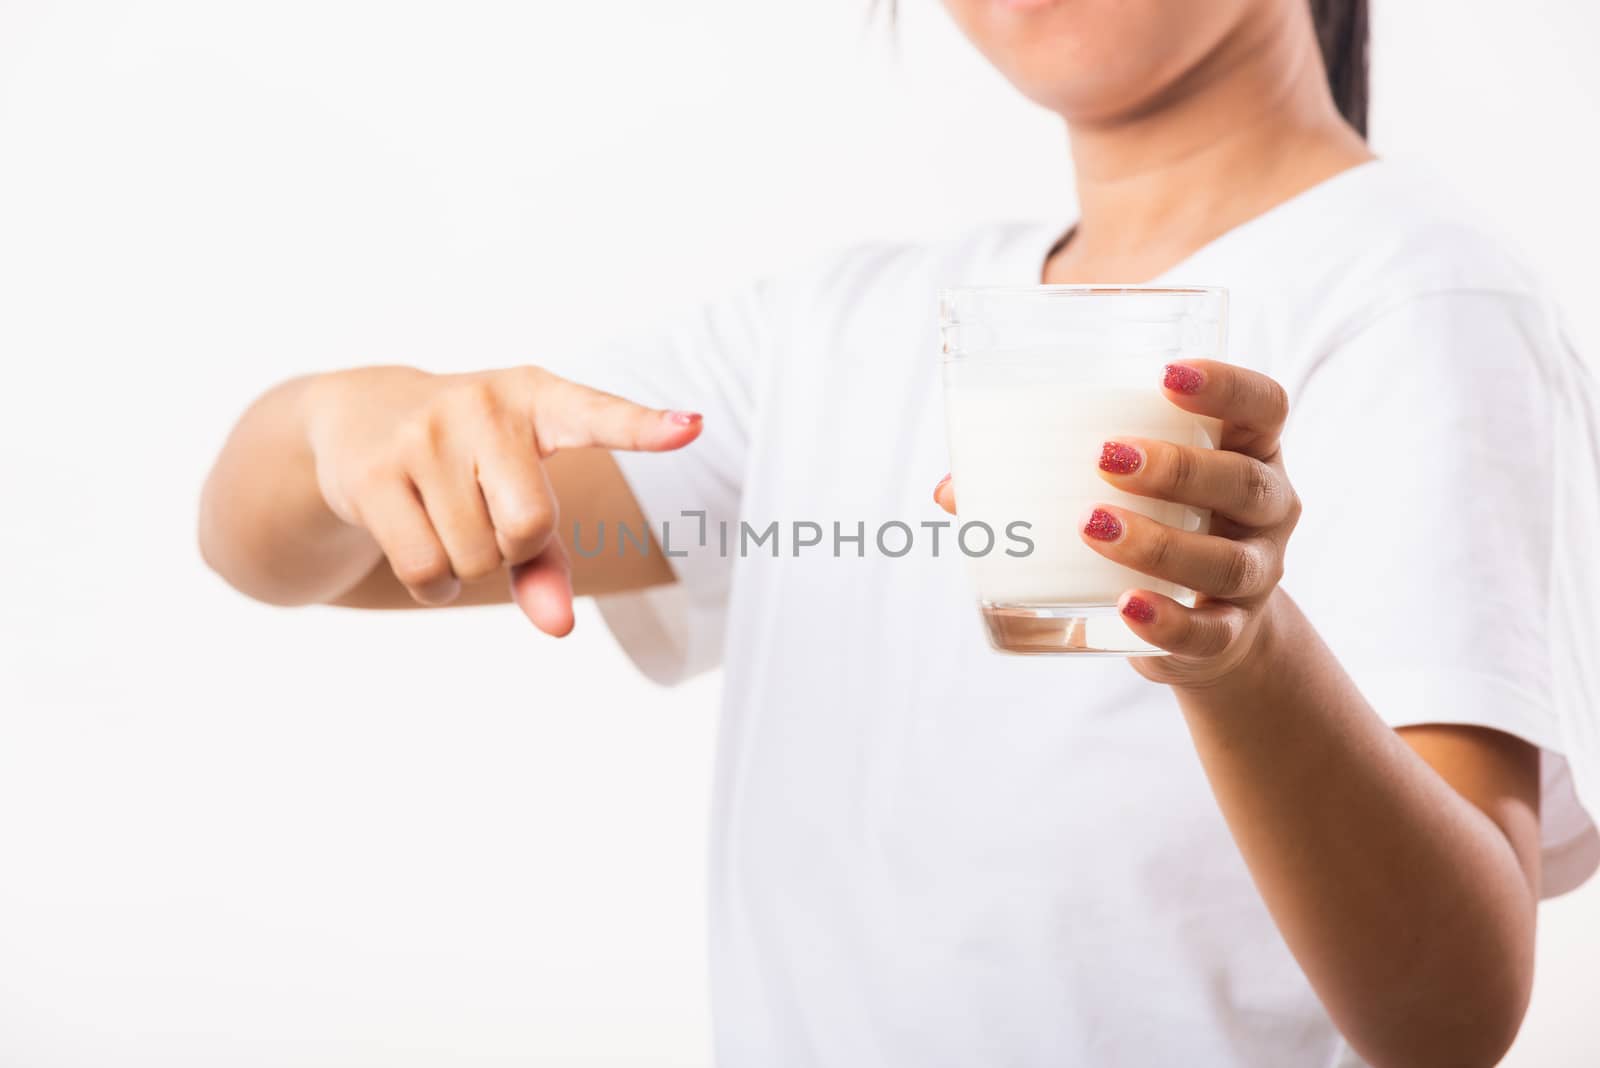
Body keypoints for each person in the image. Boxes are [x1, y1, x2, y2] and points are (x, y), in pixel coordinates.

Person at [199, 0, 1600, 1064]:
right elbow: (311, 549)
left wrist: (1239, 654)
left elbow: (1452, 1009)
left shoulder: (1416, 295)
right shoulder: (833, 338)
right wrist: (342, 423)